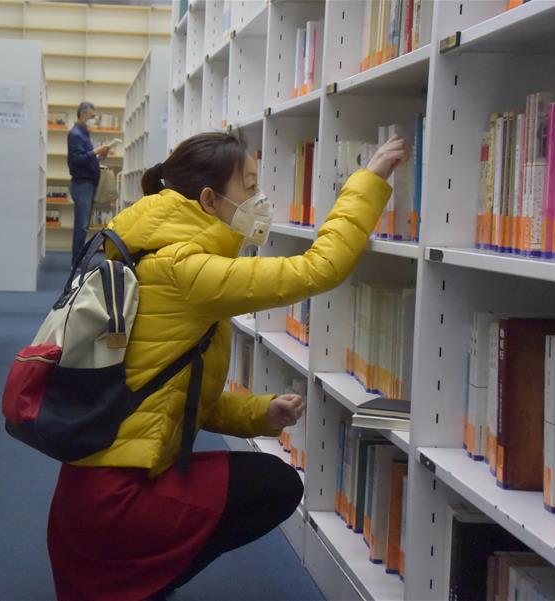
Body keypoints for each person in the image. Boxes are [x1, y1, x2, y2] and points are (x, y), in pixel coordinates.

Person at [47, 131, 409, 600]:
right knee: (276, 485)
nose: (260, 199)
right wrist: (369, 181)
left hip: (85, 501)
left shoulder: (144, 249)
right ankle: (138, 579)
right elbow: (319, 268)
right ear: (209, 200)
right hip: (115, 506)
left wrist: (259, 413)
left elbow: (170, 396)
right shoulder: (185, 268)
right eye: (250, 187)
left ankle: (136, 577)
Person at [67, 101, 114, 267]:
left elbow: (87, 159)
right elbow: (76, 160)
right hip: (82, 185)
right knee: (81, 226)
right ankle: (77, 262)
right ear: (83, 115)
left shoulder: (83, 133)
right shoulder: (76, 134)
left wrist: (100, 156)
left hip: (88, 184)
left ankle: (79, 261)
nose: (95, 120)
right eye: (93, 116)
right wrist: (96, 151)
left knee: (84, 225)